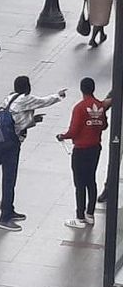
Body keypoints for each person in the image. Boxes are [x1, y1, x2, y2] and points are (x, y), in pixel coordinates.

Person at [0, 76, 67, 232]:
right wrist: (59, 95)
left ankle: (9, 209)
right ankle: (5, 217)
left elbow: (16, 118)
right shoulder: (24, 99)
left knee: (9, 179)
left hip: (4, 141)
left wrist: (33, 120)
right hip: (12, 143)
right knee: (9, 179)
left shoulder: (9, 98)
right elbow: (43, 101)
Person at [57, 77, 112, 229]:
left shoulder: (79, 107)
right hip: (95, 148)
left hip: (81, 150)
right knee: (91, 181)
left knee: (79, 183)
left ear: (82, 89)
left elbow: (73, 131)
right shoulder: (100, 105)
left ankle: (79, 217)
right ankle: (90, 214)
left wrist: (62, 136)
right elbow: (104, 125)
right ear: (93, 89)